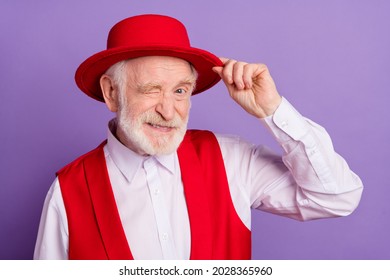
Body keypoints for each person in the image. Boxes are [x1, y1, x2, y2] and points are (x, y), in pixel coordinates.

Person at [34, 14, 363, 260]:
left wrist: (272, 110)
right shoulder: (68, 191)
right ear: (111, 92)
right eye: (151, 90)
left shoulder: (231, 159)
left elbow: (336, 198)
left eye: (180, 90)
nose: (168, 110)